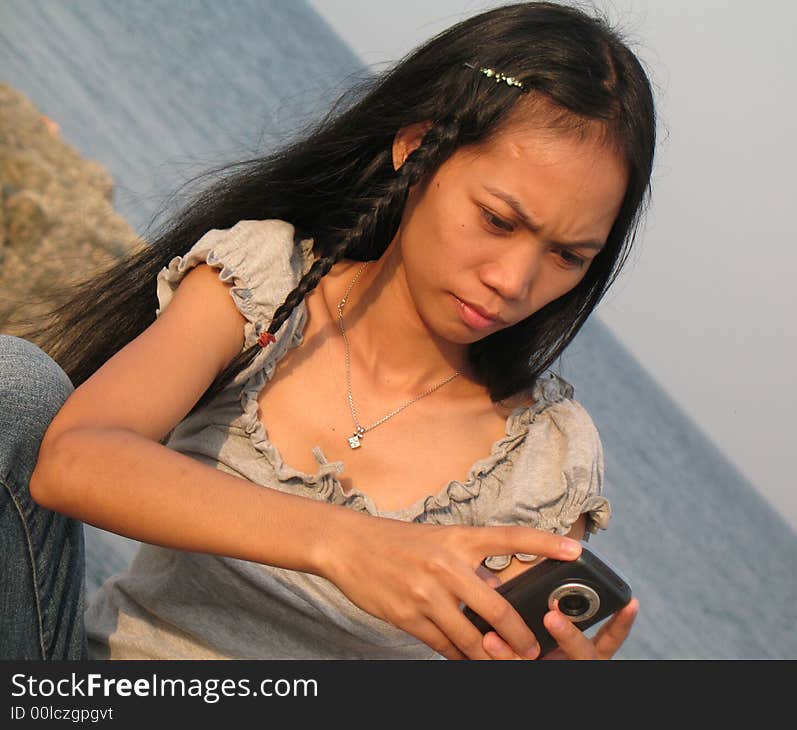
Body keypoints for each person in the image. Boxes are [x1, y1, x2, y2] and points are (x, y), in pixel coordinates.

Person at [0, 1, 655, 660]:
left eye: (568, 256)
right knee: (16, 385)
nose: (515, 281)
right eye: (498, 220)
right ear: (416, 150)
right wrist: (346, 545)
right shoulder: (268, 286)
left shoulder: (543, 462)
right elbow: (73, 460)